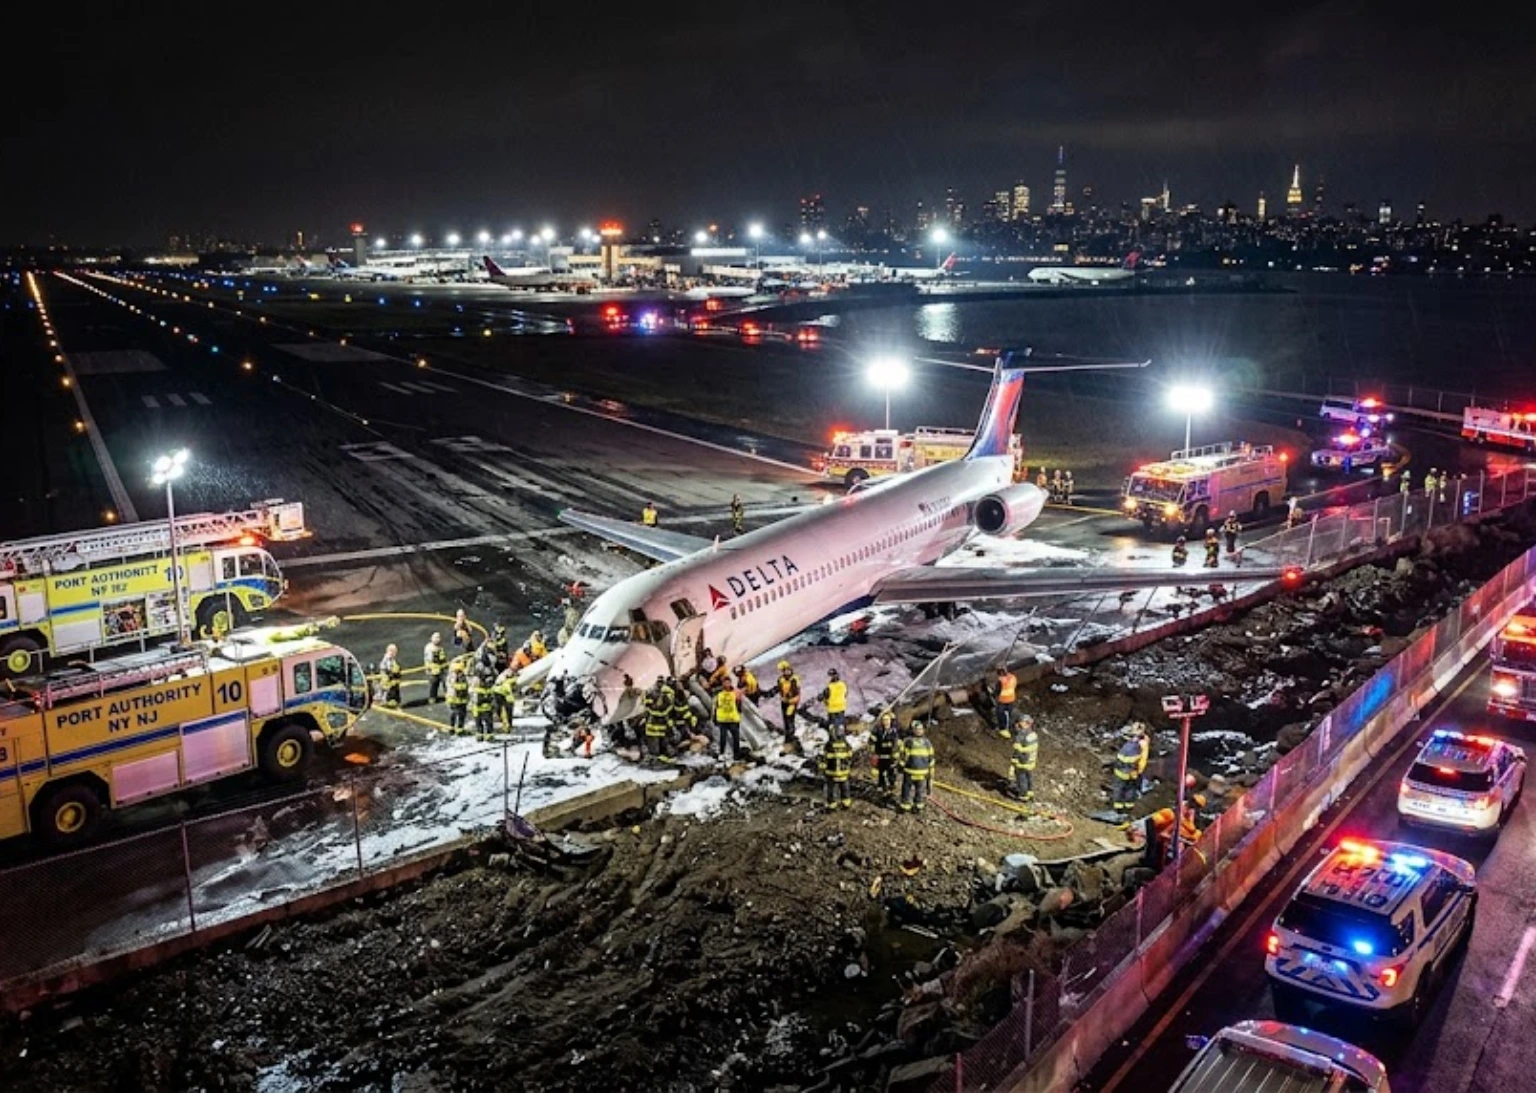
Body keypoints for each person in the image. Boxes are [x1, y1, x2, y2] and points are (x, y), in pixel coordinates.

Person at [898, 721, 934, 813]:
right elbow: (902, 754)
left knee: (920, 790)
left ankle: (918, 806)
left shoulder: (927, 742)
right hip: (909, 771)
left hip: (922, 772)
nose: (919, 731)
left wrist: (931, 770)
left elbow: (931, 757)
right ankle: (905, 806)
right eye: (917, 729)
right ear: (913, 730)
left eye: (920, 729)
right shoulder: (908, 741)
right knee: (906, 789)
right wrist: (901, 765)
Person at [820, 729, 853, 809]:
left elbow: (824, 757)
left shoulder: (828, 744)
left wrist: (823, 767)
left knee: (832, 790)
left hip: (832, 772)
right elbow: (850, 756)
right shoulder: (845, 744)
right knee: (844, 789)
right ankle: (845, 803)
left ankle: (832, 804)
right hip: (842, 772)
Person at [1111, 734, 1141, 816]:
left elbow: (1120, 761)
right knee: (1130, 790)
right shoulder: (1138, 748)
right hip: (1132, 775)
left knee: (1118, 789)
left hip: (1121, 773)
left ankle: (1118, 810)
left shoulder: (1126, 747)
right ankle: (1128, 809)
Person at [1010, 716, 1039, 802]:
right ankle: (1030, 792)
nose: (1018, 724)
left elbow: (1028, 748)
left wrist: (1019, 751)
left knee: (1021, 778)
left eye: (1021, 722)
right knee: (1028, 776)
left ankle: (1023, 795)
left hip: (1023, 762)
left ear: (1027, 723)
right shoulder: (1032, 734)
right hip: (1030, 761)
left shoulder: (1024, 735)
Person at [872, 710, 900, 794]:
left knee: (891, 770)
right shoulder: (879, 731)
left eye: (887, 720)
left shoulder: (894, 730)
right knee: (881, 771)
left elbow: (896, 724)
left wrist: (892, 715)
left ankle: (892, 784)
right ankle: (881, 785)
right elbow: (873, 741)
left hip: (891, 755)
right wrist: (874, 752)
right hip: (881, 755)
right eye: (884, 720)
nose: (886, 722)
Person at [713, 681, 742, 760]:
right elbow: (717, 706)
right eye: (725, 683)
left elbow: (739, 706)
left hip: (733, 718)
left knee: (736, 737)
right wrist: (715, 718)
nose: (726, 685)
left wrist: (739, 717)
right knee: (723, 737)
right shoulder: (719, 695)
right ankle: (722, 753)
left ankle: (737, 754)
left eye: (728, 683)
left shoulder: (735, 693)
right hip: (723, 719)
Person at [643, 680, 671, 762]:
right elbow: (648, 707)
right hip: (653, 725)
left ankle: (662, 757)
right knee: (654, 746)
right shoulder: (650, 694)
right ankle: (654, 758)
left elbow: (668, 708)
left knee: (663, 742)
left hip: (661, 724)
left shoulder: (666, 695)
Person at [777, 660, 801, 739]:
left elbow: (795, 691)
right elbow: (780, 688)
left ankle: (791, 734)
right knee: (785, 718)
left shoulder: (794, 679)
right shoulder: (781, 679)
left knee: (789, 717)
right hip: (784, 701)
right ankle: (788, 734)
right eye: (785, 671)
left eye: (788, 671)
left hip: (792, 701)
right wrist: (783, 697)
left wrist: (789, 697)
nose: (786, 673)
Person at [820, 668, 848, 734]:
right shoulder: (843, 684)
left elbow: (823, 696)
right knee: (840, 725)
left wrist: (824, 700)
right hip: (841, 708)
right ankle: (841, 737)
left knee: (832, 726)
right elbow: (845, 694)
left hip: (832, 709)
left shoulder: (829, 687)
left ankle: (834, 738)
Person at [993, 665, 1018, 738]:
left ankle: (1003, 729)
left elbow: (997, 692)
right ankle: (1010, 726)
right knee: (1008, 714)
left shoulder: (1001, 681)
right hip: (1011, 698)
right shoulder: (1013, 677)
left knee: (1000, 715)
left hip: (1003, 700)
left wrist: (994, 693)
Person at [446, 659, 470, 734]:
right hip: (460, 699)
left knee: (453, 714)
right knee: (461, 715)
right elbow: (464, 687)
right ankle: (460, 729)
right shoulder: (462, 676)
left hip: (451, 699)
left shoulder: (450, 676)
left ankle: (452, 728)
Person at [423, 632, 448, 704]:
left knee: (445, 682)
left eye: (438, 637)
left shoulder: (440, 648)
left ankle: (448, 695)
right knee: (434, 685)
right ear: (431, 639)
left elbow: (443, 658)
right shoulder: (429, 648)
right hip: (433, 670)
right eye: (436, 637)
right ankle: (432, 697)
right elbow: (431, 659)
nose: (437, 639)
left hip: (441, 669)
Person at [492, 665, 518, 730]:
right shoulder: (507, 679)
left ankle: (507, 725)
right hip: (502, 695)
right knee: (506, 711)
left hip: (500, 694)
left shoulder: (504, 677)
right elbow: (509, 688)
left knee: (504, 711)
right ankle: (507, 726)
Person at [471, 675, 495, 740]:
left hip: (479, 710)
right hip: (483, 709)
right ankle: (484, 736)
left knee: (480, 723)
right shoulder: (481, 690)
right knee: (485, 723)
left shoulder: (476, 689)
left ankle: (482, 736)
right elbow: (490, 699)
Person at [378, 644, 402, 708]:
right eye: (394, 652)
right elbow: (386, 668)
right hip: (387, 678)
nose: (395, 653)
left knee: (390, 689)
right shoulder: (387, 659)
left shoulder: (392, 659)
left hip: (391, 678)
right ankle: (384, 700)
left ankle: (387, 700)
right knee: (386, 690)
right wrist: (391, 673)